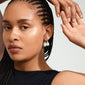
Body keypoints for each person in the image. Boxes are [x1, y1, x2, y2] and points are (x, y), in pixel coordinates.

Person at [0, 0, 85, 85]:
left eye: (24, 27)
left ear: (47, 32)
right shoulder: (3, 74)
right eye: (7, 27)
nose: (12, 36)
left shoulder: (62, 81)